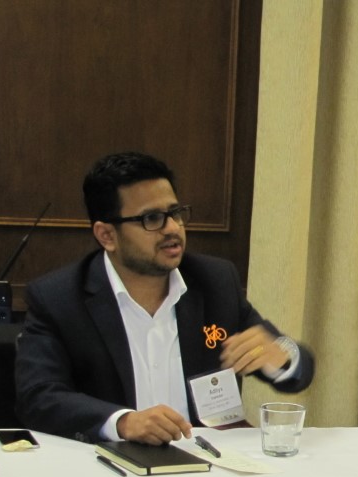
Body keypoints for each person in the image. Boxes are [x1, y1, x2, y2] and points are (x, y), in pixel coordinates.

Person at [16, 151, 315, 444]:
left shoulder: (215, 282)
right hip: (112, 468)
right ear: (107, 235)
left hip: (209, 463)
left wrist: (283, 355)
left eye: (174, 213)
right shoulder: (59, 298)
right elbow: (39, 396)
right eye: (152, 218)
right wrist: (123, 421)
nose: (172, 229)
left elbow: (295, 372)